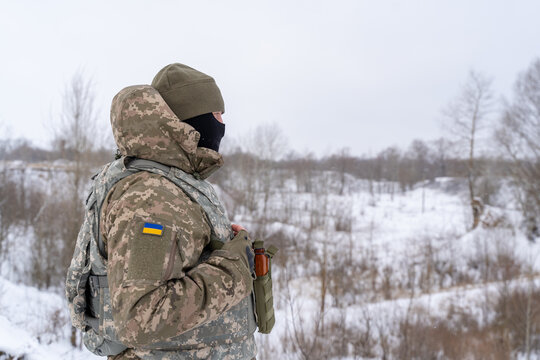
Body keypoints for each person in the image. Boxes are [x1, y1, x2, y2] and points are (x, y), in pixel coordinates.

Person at [103, 63, 258, 359]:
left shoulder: (172, 185)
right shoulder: (151, 198)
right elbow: (142, 317)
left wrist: (221, 249)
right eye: (217, 114)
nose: (222, 123)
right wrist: (234, 267)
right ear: (193, 120)